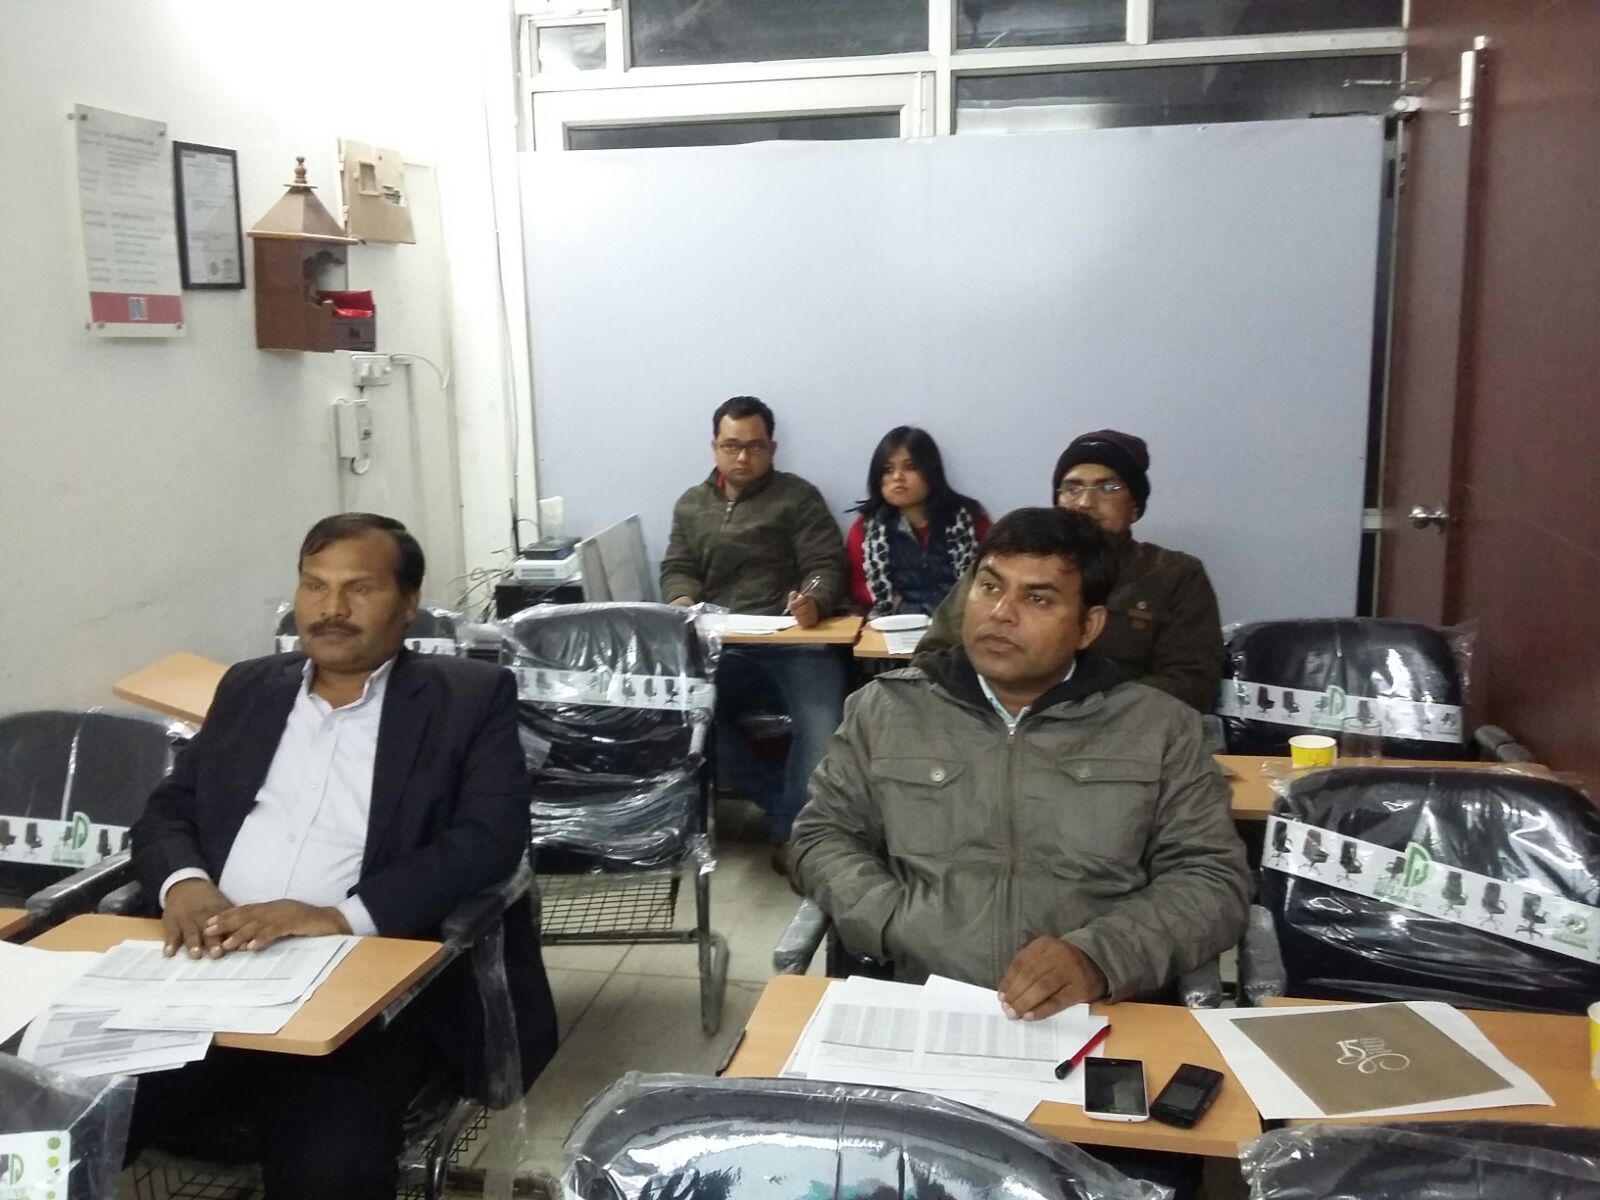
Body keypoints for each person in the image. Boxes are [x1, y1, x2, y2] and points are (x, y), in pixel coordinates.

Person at [128, 513, 557, 1200]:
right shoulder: (249, 688)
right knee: (51, 1103)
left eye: (359, 589)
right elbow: (168, 809)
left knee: (329, 1169)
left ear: (408, 602)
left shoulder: (467, 699)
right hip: (202, 969)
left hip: (358, 986)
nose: (331, 609)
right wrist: (185, 885)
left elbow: (489, 838)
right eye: (314, 586)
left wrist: (336, 917)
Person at [792, 506, 1250, 1011]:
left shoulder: (1159, 727)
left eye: (1037, 598)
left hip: (1100, 1014)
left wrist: (1100, 957)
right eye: (990, 586)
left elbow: (1213, 880)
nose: (1001, 612)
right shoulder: (886, 710)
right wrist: (894, 920)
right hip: (925, 1004)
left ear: (1089, 626)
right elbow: (822, 836)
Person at [660, 396, 849, 875]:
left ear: (772, 448)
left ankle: (793, 839)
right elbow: (679, 567)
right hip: (722, 649)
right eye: (732, 446)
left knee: (824, 725)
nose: (743, 457)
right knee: (685, 722)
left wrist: (813, 600)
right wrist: (681, 601)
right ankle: (784, 811)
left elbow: (825, 565)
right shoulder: (691, 505)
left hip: (795, 644)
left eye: (755, 446)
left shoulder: (798, 497)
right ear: (714, 447)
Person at [918, 430, 1223, 714]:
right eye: (1072, 488)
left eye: (1108, 488)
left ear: (1135, 507)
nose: (1085, 502)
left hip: (1122, 733)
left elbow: (1192, 684)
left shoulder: (1174, 575)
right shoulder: (1004, 566)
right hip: (992, 722)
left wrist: (1082, 712)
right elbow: (932, 656)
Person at [846, 426, 990, 617]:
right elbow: (858, 585)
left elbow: (992, 578)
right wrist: (898, 606)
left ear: (931, 471)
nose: (897, 477)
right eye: (888, 470)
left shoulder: (969, 520)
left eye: (910, 467)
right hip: (893, 623)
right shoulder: (866, 529)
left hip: (958, 623)